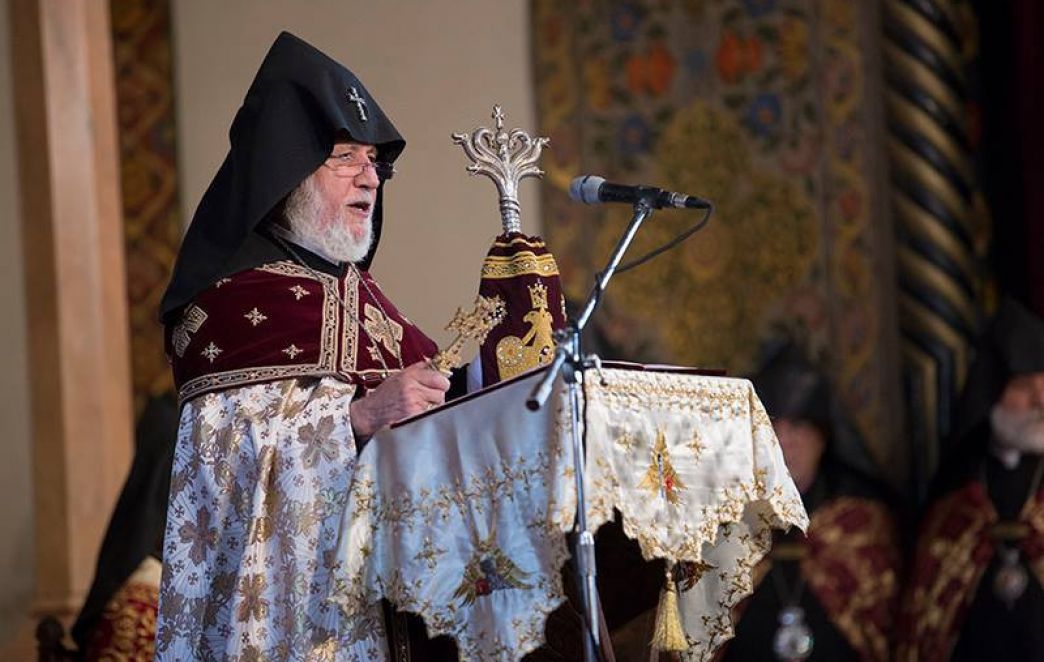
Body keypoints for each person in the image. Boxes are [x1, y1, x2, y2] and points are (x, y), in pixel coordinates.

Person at [154, 32, 451, 660]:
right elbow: (217, 468)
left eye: (375, 160)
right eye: (345, 156)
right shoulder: (225, 309)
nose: (371, 176)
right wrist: (356, 419)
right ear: (284, 174)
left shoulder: (372, 304)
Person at [720, 342, 902, 662]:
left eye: (798, 426)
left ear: (823, 436)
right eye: (773, 427)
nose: (785, 440)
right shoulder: (724, 522)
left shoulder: (859, 521)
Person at [897, 297, 1044, 661]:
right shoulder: (956, 496)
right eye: (1024, 387)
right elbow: (929, 616)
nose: (1041, 400)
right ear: (992, 395)